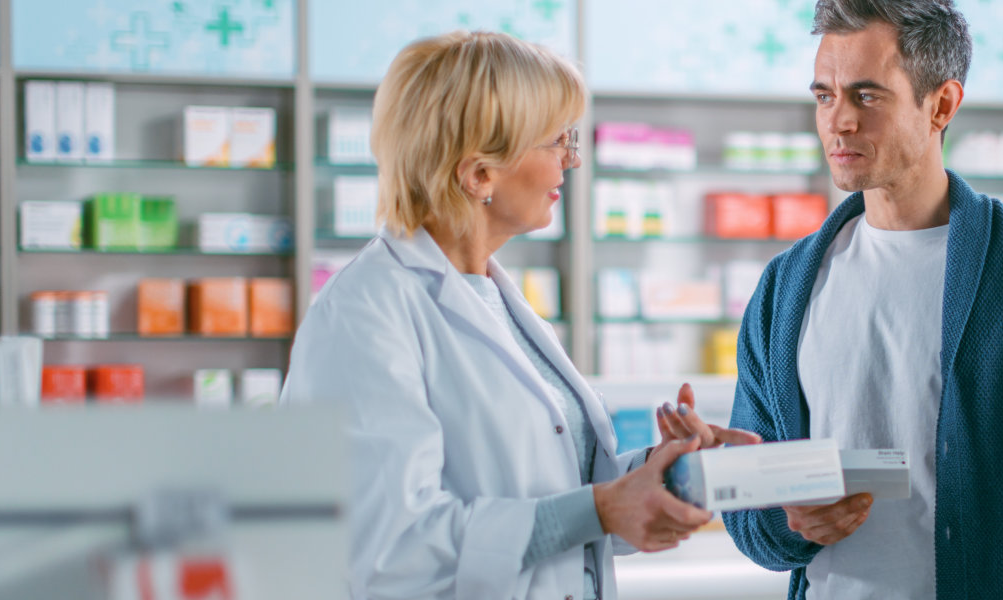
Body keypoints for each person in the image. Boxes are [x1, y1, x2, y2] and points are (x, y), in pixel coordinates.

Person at [280, 31, 757, 600]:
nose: (573, 160)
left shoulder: (492, 295)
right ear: (479, 173)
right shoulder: (363, 315)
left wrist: (656, 471)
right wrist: (602, 509)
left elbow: (552, 486)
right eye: (557, 141)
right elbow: (386, 552)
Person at [722, 1, 1003, 598]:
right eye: (824, 96)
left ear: (942, 105)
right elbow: (748, 509)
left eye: (867, 96)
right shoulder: (785, 286)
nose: (838, 122)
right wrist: (787, 520)